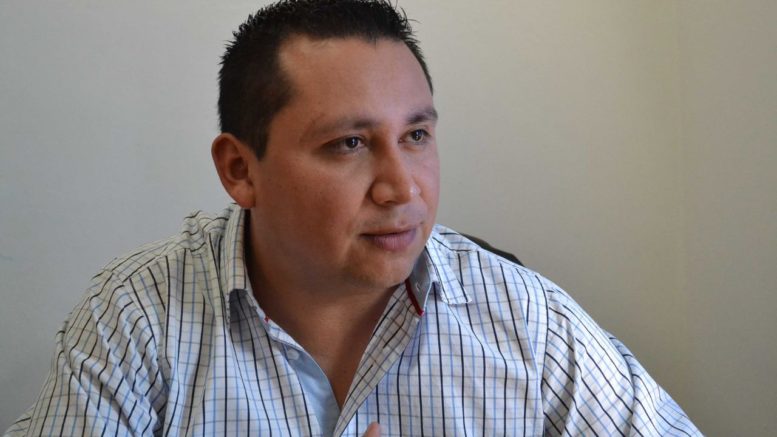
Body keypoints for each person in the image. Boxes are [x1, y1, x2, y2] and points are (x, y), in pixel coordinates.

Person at [5, 1, 701, 436]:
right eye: (349, 144)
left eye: (416, 136)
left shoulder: (526, 321)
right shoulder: (138, 318)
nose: (402, 187)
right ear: (240, 169)